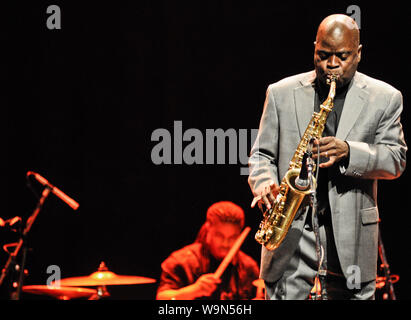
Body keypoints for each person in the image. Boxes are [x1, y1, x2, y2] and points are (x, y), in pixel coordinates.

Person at [248, 14, 407, 300]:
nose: (331, 65)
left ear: (358, 54)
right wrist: (264, 186)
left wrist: (349, 151)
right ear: (314, 49)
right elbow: (261, 155)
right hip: (291, 237)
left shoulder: (385, 97)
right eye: (323, 55)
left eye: (342, 56)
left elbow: (395, 159)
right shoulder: (280, 92)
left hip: (351, 239)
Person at [156, 201, 260, 300]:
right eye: (219, 235)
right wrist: (194, 291)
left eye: (232, 237)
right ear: (207, 229)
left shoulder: (249, 267)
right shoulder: (181, 262)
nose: (225, 243)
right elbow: (162, 298)